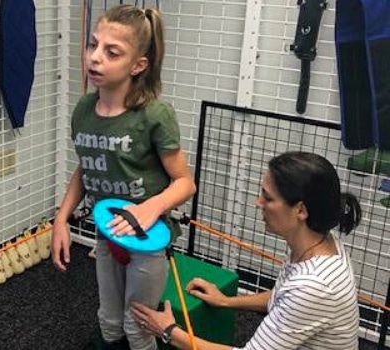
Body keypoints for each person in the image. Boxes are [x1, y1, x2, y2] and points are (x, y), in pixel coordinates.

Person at [51, 4, 196, 350]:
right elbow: (87, 167)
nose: (95, 58)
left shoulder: (155, 115)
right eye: (92, 45)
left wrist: (149, 208)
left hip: (147, 242)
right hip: (107, 234)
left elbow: (185, 182)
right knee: (109, 319)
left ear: (138, 64)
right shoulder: (84, 110)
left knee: (138, 325)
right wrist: (61, 219)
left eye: (111, 52)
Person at [130, 151, 362, 350]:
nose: (258, 202)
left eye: (268, 198)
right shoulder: (319, 244)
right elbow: (282, 295)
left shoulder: (314, 285)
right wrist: (227, 301)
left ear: (300, 210)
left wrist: (168, 331)